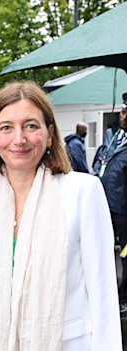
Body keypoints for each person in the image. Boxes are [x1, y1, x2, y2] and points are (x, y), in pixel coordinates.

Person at [0, 81, 121, 351]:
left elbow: (103, 294)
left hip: (66, 349)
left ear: (50, 134)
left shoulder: (83, 192)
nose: (19, 139)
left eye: (31, 126)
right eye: (7, 127)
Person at [92, 93, 127, 305]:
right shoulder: (114, 137)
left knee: (125, 253)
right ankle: (105, 291)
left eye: (126, 112)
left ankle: (123, 296)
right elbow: (101, 161)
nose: (122, 116)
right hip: (105, 205)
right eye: (122, 111)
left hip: (123, 209)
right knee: (101, 249)